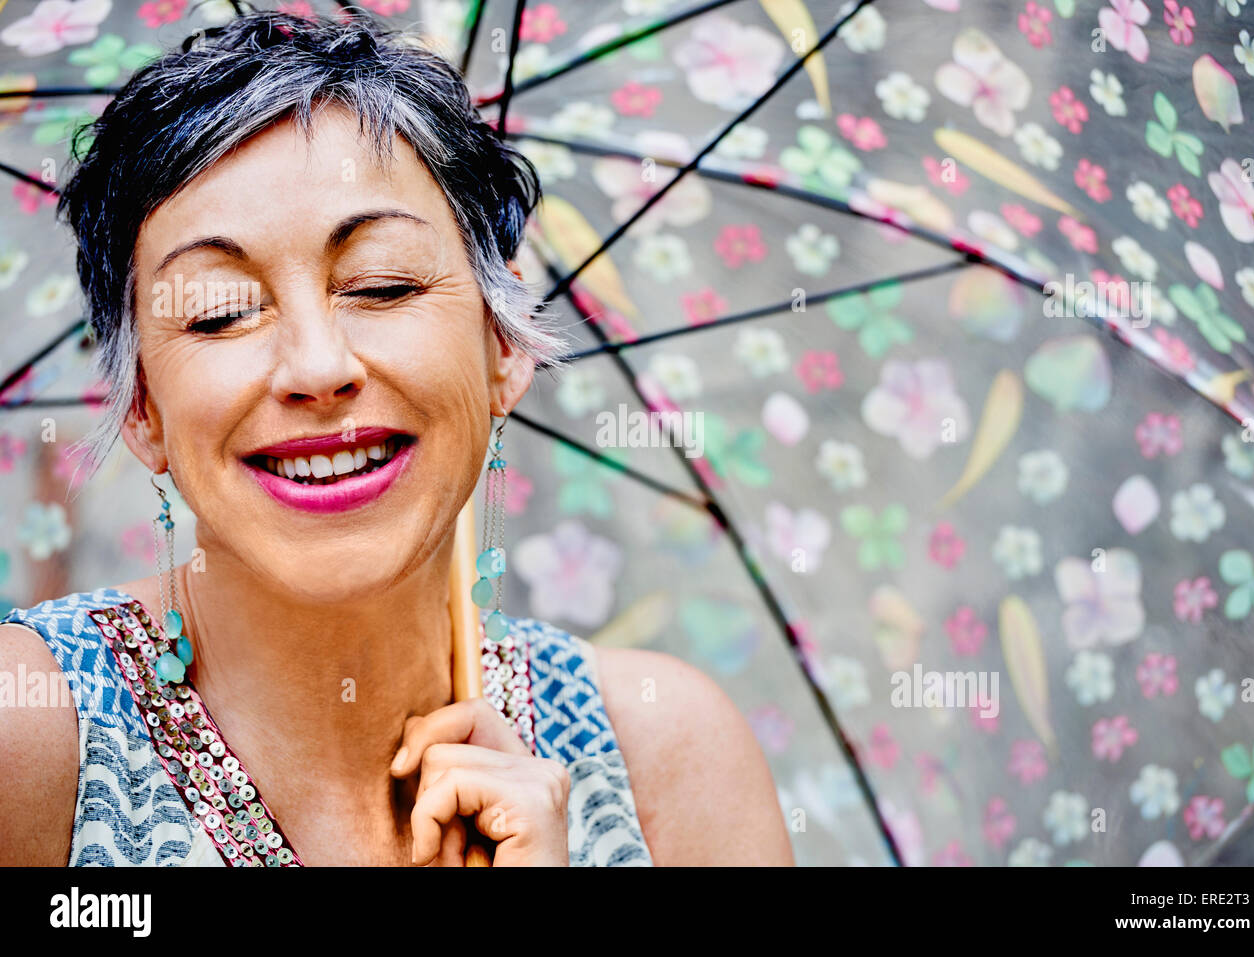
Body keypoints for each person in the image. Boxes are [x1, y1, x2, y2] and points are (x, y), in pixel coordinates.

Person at [0, 9, 792, 867]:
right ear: (143, 408)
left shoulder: (669, 757)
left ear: (502, 341)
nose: (316, 365)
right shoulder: (30, 729)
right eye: (220, 311)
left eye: (380, 285)